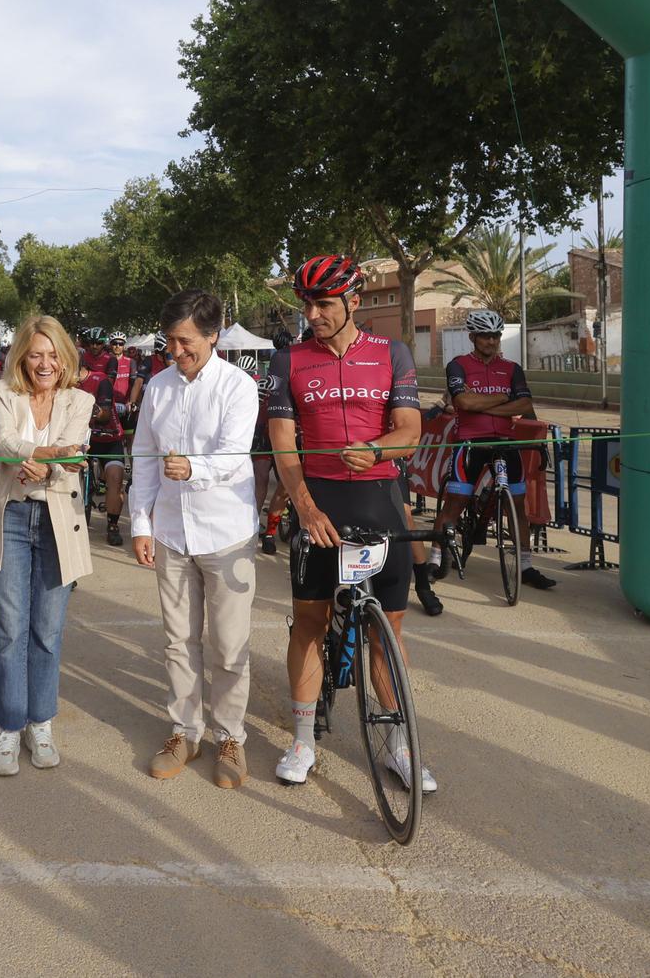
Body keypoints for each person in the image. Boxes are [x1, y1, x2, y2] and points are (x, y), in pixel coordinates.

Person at [266, 255, 432, 792]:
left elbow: (409, 428)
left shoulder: (392, 353)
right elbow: (283, 444)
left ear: (353, 302)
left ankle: (400, 748)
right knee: (310, 623)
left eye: (324, 304)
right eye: (307, 305)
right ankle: (303, 739)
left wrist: (378, 448)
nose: (312, 314)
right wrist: (305, 508)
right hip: (319, 502)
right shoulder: (288, 361)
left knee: (389, 631)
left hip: (379, 497)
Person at [128, 290, 260, 789]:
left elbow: (235, 454)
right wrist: (141, 525)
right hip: (171, 535)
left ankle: (231, 737)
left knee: (228, 646)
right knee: (178, 642)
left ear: (213, 335)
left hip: (227, 534)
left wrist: (194, 469)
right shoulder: (158, 388)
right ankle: (185, 730)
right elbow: (143, 457)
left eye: (186, 341)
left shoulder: (237, 387)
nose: (176, 351)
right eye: (170, 342)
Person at [0, 314, 94, 776]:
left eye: (53, 354)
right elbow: (2, 442)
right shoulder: (2, 393)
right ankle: (8, 726)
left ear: (65, 358)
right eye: (36, 354)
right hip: (11, 519)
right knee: (8, 631)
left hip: (58, 522)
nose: (45, 363)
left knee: (46, 630)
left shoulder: (81, 399)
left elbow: (73, 450)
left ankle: (40, 723)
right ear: (21, 356)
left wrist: (50, 463)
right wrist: (49, 456)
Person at [435, 309, 555, 593]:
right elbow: (462, 402)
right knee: (454, 504)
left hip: (505, 442)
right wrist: (501, 399)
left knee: (518, 508)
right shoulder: (458, 365)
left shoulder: (512, 369)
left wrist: (482, 403)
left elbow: (524, 405)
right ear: (473, 337)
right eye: (485, 336)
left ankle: (525, 566)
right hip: (470, 443)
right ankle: (436, 558)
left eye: (495, 336)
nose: (491, 341)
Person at [79, 355, 128, 544]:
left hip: (109, 437)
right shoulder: (65, 383)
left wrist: (84, 408)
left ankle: (113, 525)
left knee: (115, 479)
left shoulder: (101, 380)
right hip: (85, 438)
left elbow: (105, 414)